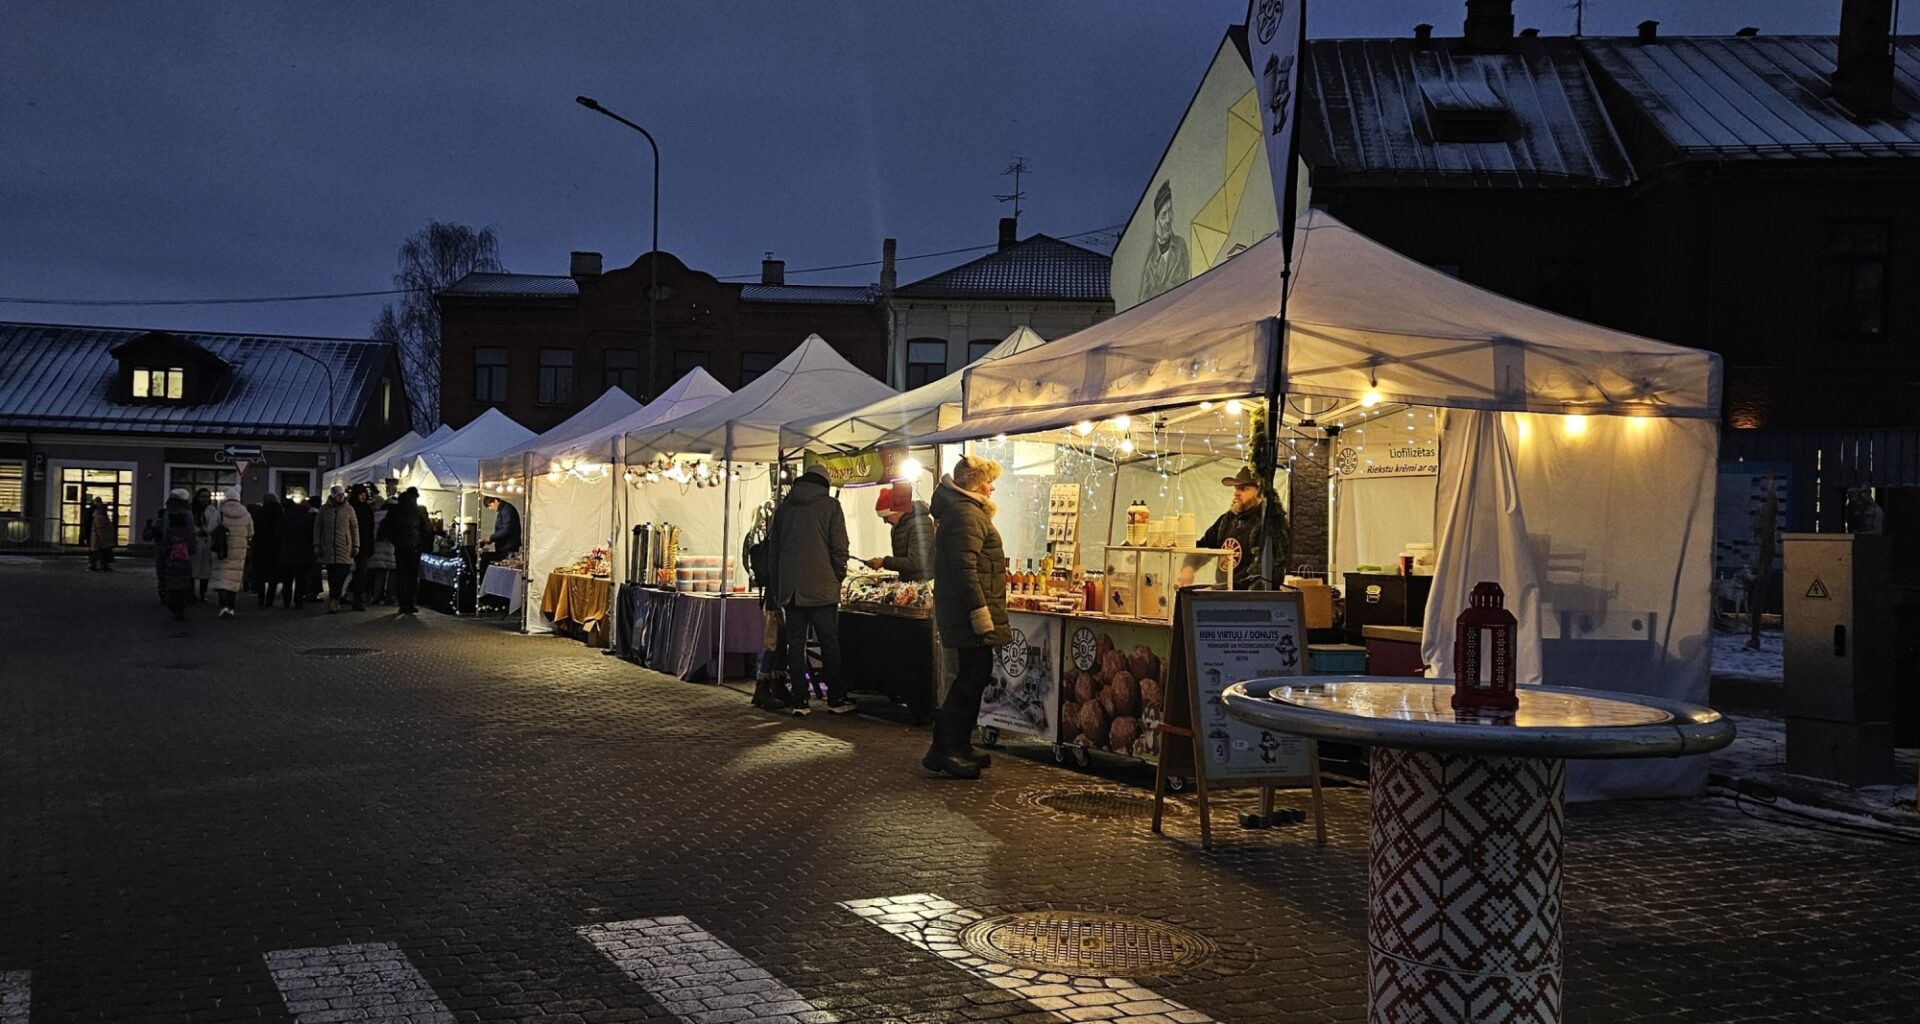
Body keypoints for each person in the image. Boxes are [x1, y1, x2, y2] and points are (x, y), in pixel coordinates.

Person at [923, 454, 1011, 779]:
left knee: (975, 675)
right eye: (989, 481)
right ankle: (945, 747)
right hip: (968, 613)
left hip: (966, 610)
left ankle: (957, 744)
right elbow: (965, 570)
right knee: (972, 676)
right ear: (975, 484)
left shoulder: (965, 513)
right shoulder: (966, 515)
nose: (992, 488)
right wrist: (979, 612)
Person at [768, 468, 850, 715]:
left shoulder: (784, 509)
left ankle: (800, 700)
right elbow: (839, 547)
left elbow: (774, 552)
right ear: (825, 484)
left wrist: (778, 585)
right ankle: (835, 699)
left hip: (791, 590)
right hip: (822, 588)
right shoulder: (831, 506)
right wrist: (838, 575)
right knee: (829, 643)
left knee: (796, 644)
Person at [1179, 466, 1267, 591]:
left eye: (1243, 488)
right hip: (1222, 595)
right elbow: (1204, 546)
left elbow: (1258, 573)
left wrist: (1218, 589)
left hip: (1248, 600)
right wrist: (1188, 567)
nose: (1236, 493)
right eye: (1236, 488)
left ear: (1259, 492)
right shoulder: (1227, 519)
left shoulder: (1266, 525)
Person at [864, 481, 933, 582]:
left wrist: (884, 562)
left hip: (924, 583)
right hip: (910, 583)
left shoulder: (920, 524)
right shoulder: (897, 528)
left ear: (896, 511)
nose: (885, 522)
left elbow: (916, 562)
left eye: (886, 517)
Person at [383, 486, 433, 615]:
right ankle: (410, 603)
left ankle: (402, 604)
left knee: (401, 575)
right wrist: (420, 542)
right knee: (412, 575)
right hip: (415, 547)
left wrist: (396, 541)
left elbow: (386, 529)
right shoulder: (420, 510)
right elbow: (427, 529)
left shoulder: (395, 510)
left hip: (400, 547)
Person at [208, 488, 254, 618]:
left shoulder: (219, 513)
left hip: (223, 549)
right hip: (239, 550)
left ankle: (223, 606)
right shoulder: (246, 514)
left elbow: (211, 528)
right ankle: (232, 607)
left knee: (222, 578)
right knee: (233, 579)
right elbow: (251, 532)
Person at [314, 485, 361, 614]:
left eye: (342, 495)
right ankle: (333, 601)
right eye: (338, 495)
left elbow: (354, 528)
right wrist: (317, 544)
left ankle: (336, 598)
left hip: (344, 548)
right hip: (328, 548)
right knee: (332, 577)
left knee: (341, 576)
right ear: (333, 496)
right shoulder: (324, 510)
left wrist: (356, 545)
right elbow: (318, 528)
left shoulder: (349, 509)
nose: (341, 497)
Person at [157, 488, 197, 621]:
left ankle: (171, 602)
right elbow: (191, 532)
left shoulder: (168, 512)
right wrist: (191, 547)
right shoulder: (187, 512)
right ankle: (181, 605)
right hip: (183, 551)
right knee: (183, 578)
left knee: (169, 576)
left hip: (170, 551)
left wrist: (165, 547)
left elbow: (164, 531)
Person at [274, 492, 316, 609]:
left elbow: (278, 534)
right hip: (303, 553)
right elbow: (312, 536)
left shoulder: (285, 517)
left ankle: (286, 601)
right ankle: (298, 601)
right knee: (301, 579)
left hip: (286, 552)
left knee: (287, 579)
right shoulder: (308, 518)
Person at [250, 493, 282, 607]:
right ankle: (270, 599)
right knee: (273, 575)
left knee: (260, 574)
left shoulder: (259, 512)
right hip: (275, 547)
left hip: (260, 546)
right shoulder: (279, 512)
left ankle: (261, 597)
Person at [367, 489, 398, 605]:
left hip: (377, 547)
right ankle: (389, 596)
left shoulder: (375, 515)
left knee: (379, 573)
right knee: (391, 574)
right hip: (391, 548)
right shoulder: (395, 517)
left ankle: (376, 596)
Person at [348, 485, 376, 611]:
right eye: (361, 494)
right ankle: (342, 596)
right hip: (351, 544)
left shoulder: (366, 509)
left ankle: (357, 599)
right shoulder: (350, 508)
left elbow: (370, 529)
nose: (363, 496)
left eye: (364, 494)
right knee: (349, 572)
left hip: (363, 544)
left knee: (360, 573)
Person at [189, 487, 216, 602]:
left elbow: (215, 523)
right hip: (196, 541)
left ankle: (202, 593)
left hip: (207, 542)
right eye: (203, 497)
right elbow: (190, 524)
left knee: (206, 570)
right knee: (193, 569)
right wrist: (198, 530)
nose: (205, 499)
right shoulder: (192, 510)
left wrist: (209, 530)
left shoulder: (212, 509)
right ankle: (191, 593)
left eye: (207, 497)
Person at [479, 495, 521, 566]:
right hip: (505, 546)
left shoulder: (506, 510)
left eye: (490, 505)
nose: (490, 508)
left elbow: (506, 530)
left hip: (507, 547)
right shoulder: (504, 510)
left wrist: (491, 538)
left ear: (495, 501)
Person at [86, 497, 115, 572]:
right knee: (98, 553)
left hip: (97, 538)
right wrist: (103, 538)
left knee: (99, 553)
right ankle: (95, 566)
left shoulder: (98, 516)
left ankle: (98, 566)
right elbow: (100, 529)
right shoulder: (100, 517)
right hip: (99, 539)